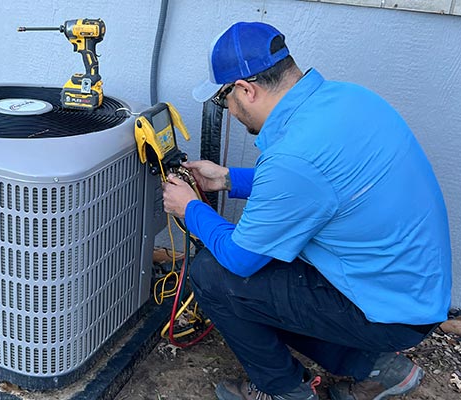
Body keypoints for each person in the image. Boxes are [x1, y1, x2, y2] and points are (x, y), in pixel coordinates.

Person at [162, 21, 451, 400]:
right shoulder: (347, 99)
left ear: (246, 90)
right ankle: (379, 368)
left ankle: (283, 390)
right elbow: (320, 185)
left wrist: (191, 208)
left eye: (223, 99)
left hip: (387, 310)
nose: (228, 110)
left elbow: (239, 258)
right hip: (412, 291)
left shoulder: (294, 158)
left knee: (214, 276)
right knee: (276, 282)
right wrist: (229, 179)